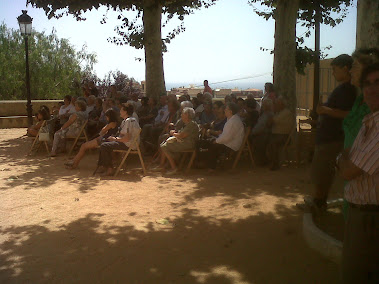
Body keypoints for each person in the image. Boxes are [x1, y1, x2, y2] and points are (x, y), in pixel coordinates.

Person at [298, 54, 357, 211]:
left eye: (335, 69)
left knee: (322, 171)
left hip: (331, 139)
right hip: (329, 137)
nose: (333, 73)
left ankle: (318, 203)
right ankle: (319, 200)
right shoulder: (345, 89)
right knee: (321, 171)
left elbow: (347, 114)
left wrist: (324, 109)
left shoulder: (348, 89)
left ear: (345, 68)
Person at [337, 63, 379, 283]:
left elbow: (349, 170)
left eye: (377, 82)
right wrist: (345, 158)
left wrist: (342, 159)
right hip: (360, 213)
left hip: (369, 218)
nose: (371, 89)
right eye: (367, 84)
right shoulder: (368, 119)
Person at [341, 48, 379, 219]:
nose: (350, 70)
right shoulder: (359, 100)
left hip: (362, 179)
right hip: (352, 177)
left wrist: (341, 159)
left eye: (355, 66)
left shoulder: (371, 106)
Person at [96, 104, 141, 176]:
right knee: (104, 142)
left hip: (129, 144)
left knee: (104, 146)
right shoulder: (126, 121)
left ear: (125, 112)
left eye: (121, 110)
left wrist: (115, 139)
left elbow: (127, 138)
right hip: (126, 142)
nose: (119, 111)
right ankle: (103, 166)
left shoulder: (129, 121)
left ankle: (109, 169)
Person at [152, 107, 199, 175]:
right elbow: (181, 133)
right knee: (164, 145)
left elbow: (182, 135)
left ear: (187, 115)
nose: (181, 115)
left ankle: (174, 168)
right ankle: (162, 165)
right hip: (183, 142)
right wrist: (175, 132)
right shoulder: (188, 124)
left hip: (188, 143)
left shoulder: (191, 124)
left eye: (183, 113)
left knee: (164, 146)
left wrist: (173, 133)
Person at [205, 102, 244, 171]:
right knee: (208, 142)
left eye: (226, 109)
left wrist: (216, 141)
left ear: (230, 111)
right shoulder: (232, 119)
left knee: (211, 145)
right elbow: (225, 136)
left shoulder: (233, 121)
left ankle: (211, 167)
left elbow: (226, 138)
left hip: (231, 145)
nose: (224, 111)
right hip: (229, 142)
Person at [267, 96, 294, 170]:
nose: (275, 105)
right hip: (277, 134)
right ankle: (270, 162)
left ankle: (275, 164)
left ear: (282, 105)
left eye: (276, 104)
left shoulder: (285, 113)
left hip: (284, 136)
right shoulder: (279, 113)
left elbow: (271, 121)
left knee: (273, 143)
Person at [250, 99, 274, 165]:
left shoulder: (268, 115)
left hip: (263, 134)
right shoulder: (264, 114)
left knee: (258, 141)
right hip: (260, 133)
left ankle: (262, 161)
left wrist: (253, 132)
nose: (262, 106)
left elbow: (262, 127)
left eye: (263, 105)